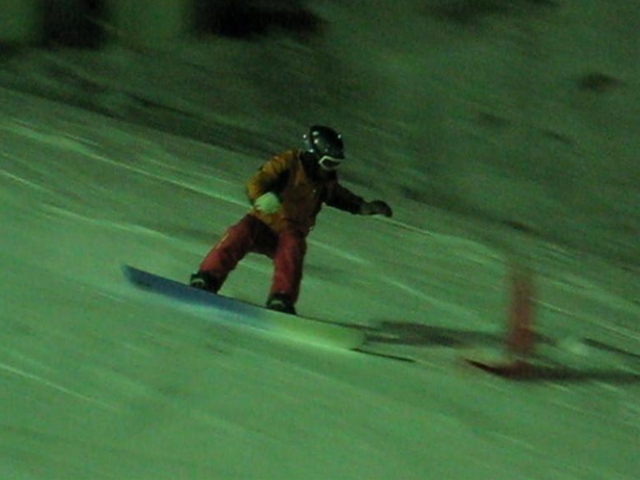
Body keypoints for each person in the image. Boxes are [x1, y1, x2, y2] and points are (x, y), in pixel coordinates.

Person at [189, 125, 392, 314]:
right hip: (263, 223)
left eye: (335, 164)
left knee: (293, 247)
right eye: (328, 163)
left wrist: (364, 207)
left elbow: (339, 196)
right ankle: (208, 277)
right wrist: (261, 197)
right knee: (240, 233)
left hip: (290, 232)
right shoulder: (288, 163)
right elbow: (257, 181)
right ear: (314, 155)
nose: (330, 169)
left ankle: (281, 298)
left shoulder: (325, 182)